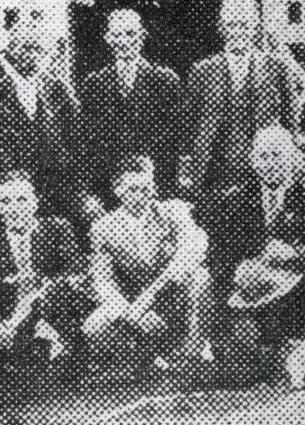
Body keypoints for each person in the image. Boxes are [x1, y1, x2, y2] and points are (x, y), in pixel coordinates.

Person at [181, 0, 294, 294]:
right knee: (218, 257)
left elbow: (290, 129)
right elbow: (188, 128)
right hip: (216, 181)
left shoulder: (275, 68)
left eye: (244, 25)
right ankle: (222, 331)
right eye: (231, 25)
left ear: (255, 28)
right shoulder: (203, 71)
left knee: (259, 254)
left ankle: (260, 327)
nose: (237, 31)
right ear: (221, 28)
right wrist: (191, 175)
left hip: (261, 180)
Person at [227, 125, 305, 393]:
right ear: (252, 160)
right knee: (245, 373)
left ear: (292, 158)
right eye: (263, 156)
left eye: (277, 155)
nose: (270, 163)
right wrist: (239, 269)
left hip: (297, 292)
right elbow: (220, 252)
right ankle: (260, 359)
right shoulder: (237, 199)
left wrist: (296, 253)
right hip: (251, 292)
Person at [84, 162, 213, 377]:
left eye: (146, 188)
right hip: (131, 304)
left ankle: (193, 351)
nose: (141, 195)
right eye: (133, 189)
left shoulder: (174, 211)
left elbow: (192, 251)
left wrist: (150, 297)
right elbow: (102, 281)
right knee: (93, 328)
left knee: (200, 277)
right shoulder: (103, 227)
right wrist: (132, 312)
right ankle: (146, 358)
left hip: (172, 297)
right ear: (119, 191)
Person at [0, 173, 93, 394]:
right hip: (10, 322)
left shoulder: (57, 229)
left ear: (35, 202)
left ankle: (49, 347)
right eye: (6, 202)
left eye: (22, 200)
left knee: (61, 296)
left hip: (54, 313)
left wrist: (31, 304)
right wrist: (2, 324)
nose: (14, 208)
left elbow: (75, 272)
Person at [0, 22, 82, 225]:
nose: (32, 55)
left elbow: (75, 142)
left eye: (39, 49)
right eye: (25, 48)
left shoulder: (61, 93)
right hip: (12, 197)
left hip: (56, 191)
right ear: (12, 52)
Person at [79, 8, 184, 211]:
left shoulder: (164, 80)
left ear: (142, 36)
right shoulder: (94, 84)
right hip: (108, 191)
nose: (124, 41)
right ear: (108, 38)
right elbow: (86, 143)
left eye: (130, 34)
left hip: (154, 190)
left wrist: (171, 192)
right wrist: (89, 193)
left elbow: (175, 141)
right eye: (117, 34)